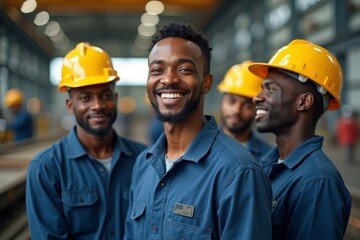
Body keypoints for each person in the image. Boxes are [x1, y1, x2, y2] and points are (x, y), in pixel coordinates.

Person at [125, 22, 272, 239]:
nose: (168, 79)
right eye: (157, 70)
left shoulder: (238, 173)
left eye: (184, 69)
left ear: (206, 83)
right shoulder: (142, 166)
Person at [26, 42, 147, 239]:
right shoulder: (47, 168)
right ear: (70, 105)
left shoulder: (144, 159)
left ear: (115, 98)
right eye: (85, 98)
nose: (98, 105)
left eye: (105, 95)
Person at [249, 39, 352, 239]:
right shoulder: (269, 164)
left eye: (270, 89)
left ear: (304, 102)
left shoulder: (318, 183)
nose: (256, 97)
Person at [218, 60, 272, 159]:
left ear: (257, 109)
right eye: (231, 101)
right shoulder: (200, 145)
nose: (236, 110)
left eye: (247, 105)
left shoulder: (268, 158)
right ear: (222, 101)